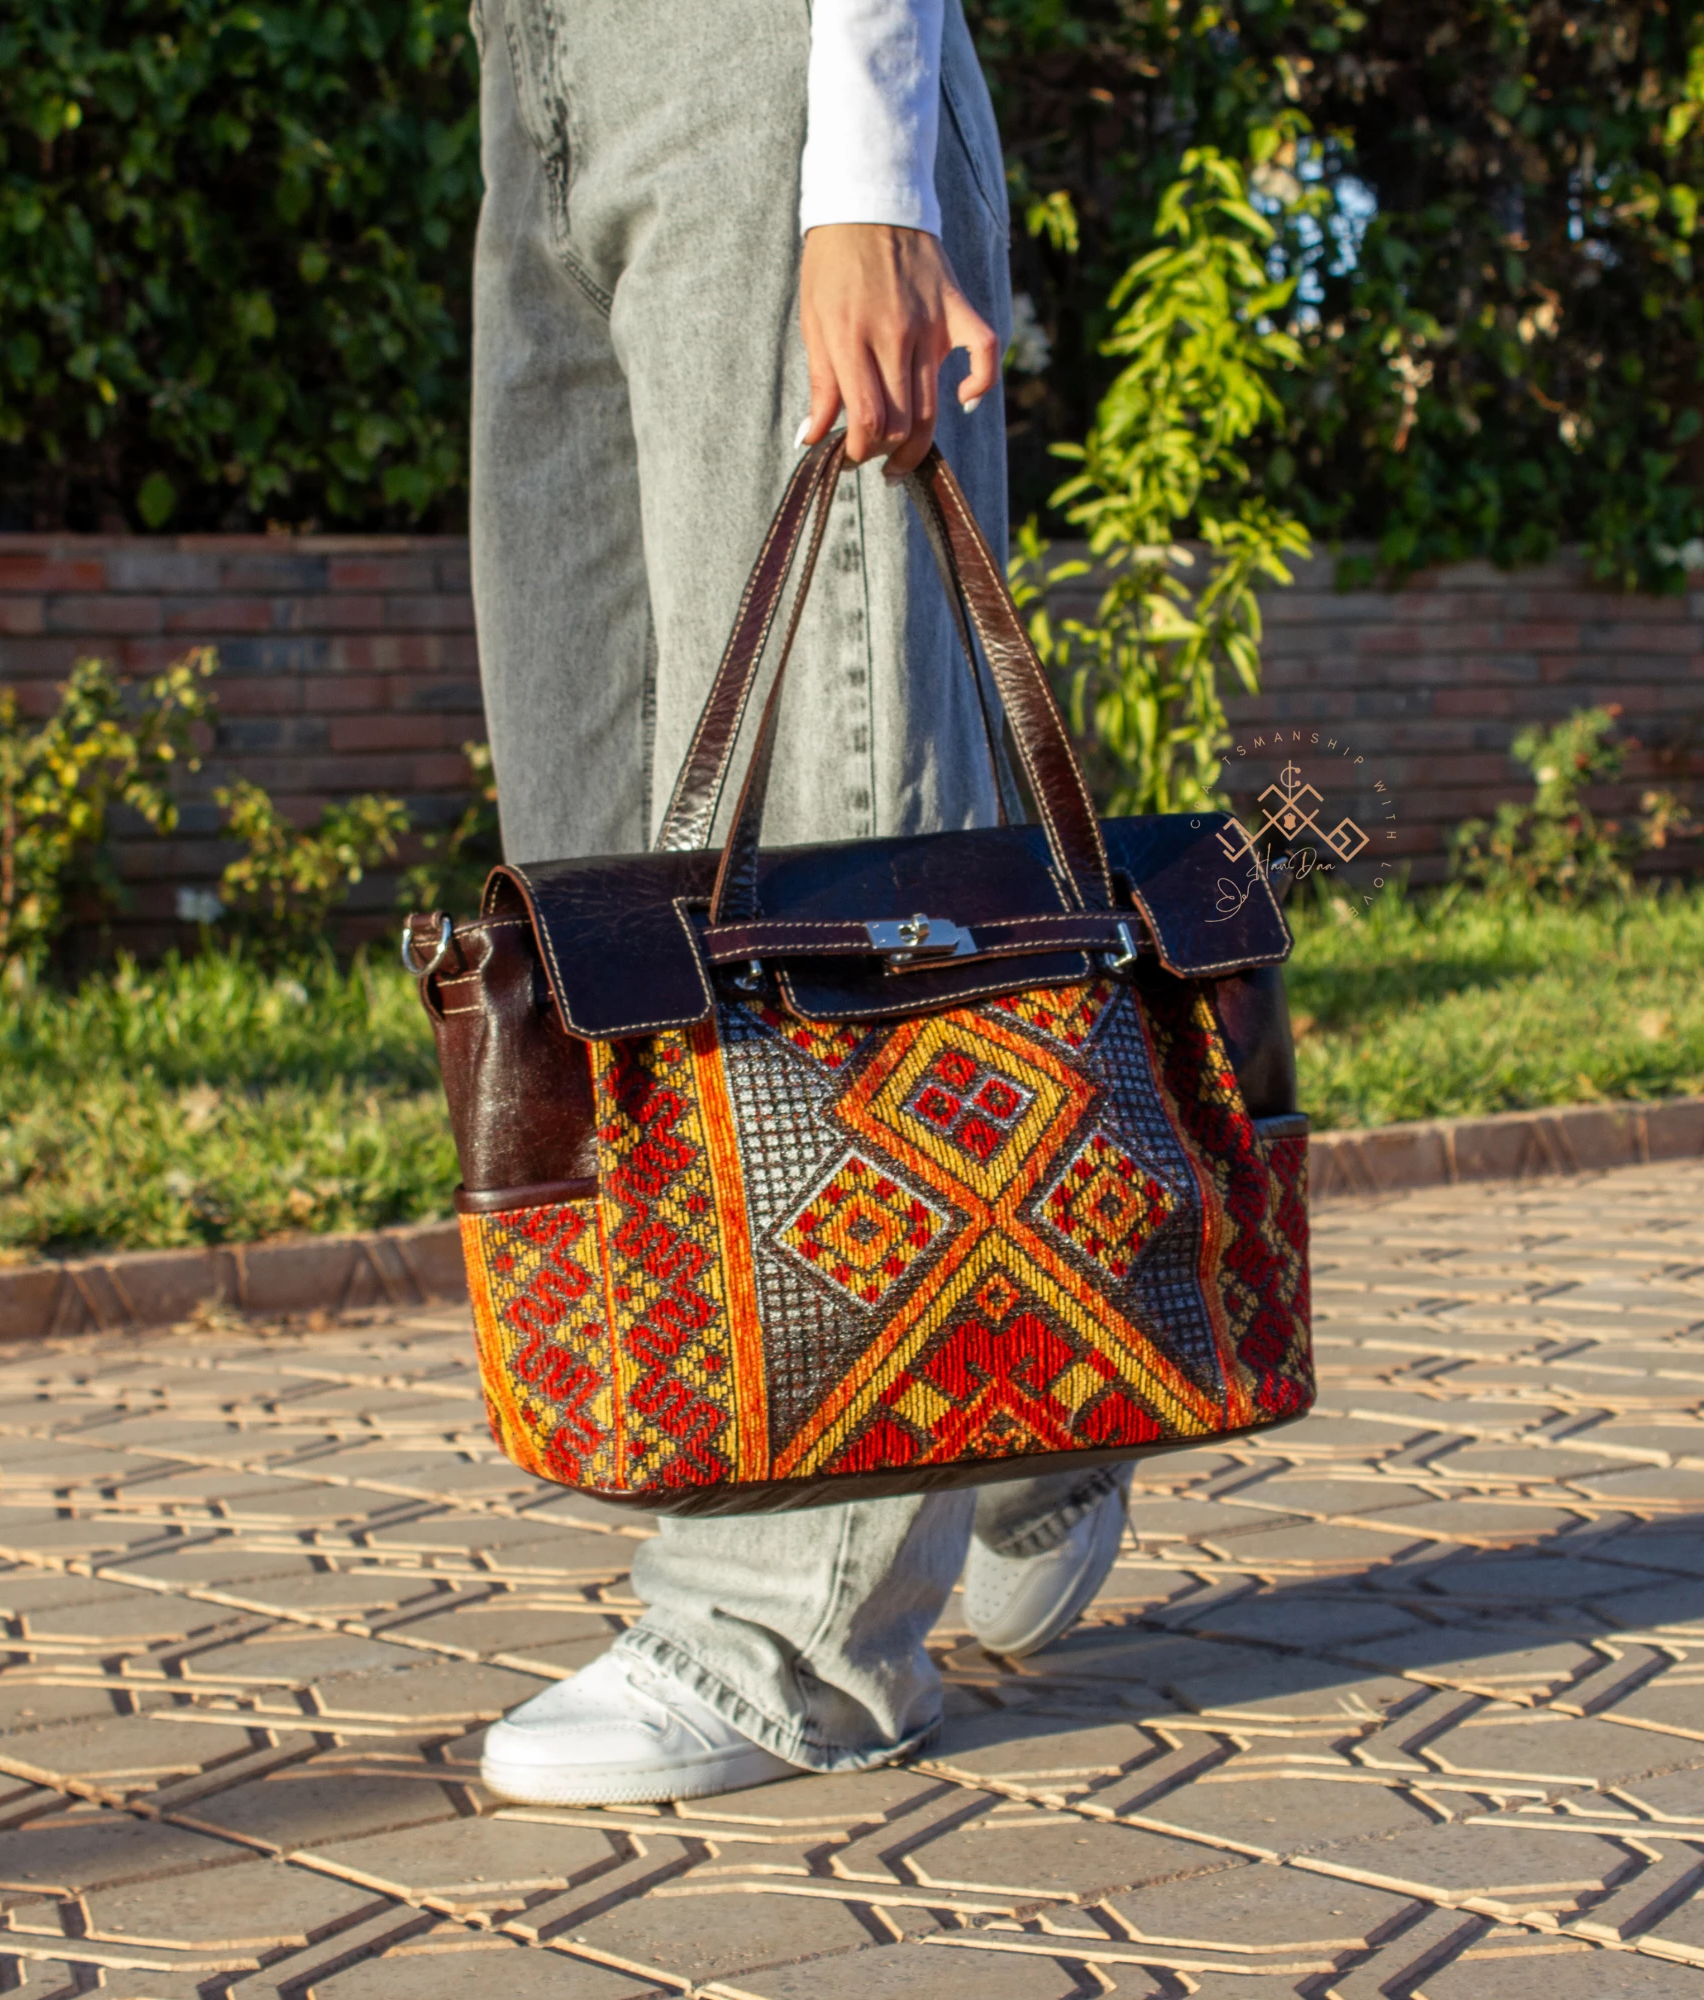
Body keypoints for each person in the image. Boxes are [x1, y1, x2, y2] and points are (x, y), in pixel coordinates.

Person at [467, 0, 1134, 1807]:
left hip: (768, 63)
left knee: (836, 833)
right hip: (541, 64)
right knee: (610, 859)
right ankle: (1020, 1382)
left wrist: (867, 162)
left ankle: (797, 1620)